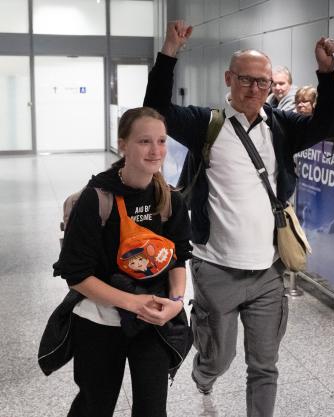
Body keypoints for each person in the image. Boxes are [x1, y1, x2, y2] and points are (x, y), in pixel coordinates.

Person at [143, 20, 334, 417]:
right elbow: (156, 109)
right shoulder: (206, 123)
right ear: (229, 79)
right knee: (220, 357)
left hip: (268, 271)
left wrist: (326, 72)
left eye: (264, 82)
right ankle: (204, 373)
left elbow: (327, 125)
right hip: (216, 267)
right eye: (247, 80)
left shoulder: (281, 126)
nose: (256, 89)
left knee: (264, 366)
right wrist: (169, 52)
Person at [52, 107, 193, 417]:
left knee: (152, 409)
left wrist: (177, 300)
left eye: (161, 140)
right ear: (122, 145)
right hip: (99, 321)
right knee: (94, 406)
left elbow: (179, 256)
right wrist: (132, 303)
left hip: (151, 320)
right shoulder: (95, 199)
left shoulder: (170, 199)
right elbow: (76, 275)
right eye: (144, 141)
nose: (156, 151)